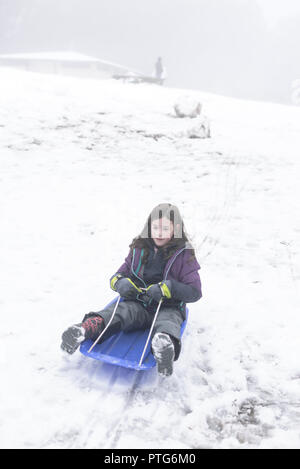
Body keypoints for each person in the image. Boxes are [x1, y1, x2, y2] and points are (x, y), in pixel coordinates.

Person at [61, 203, 202, 377]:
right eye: (155, 227)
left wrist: (168, 288)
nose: (159, 232)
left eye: (165, 228)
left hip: (168, 305)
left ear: (176, 228)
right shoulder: (139, 248)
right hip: (139, 303)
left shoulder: (184, 254)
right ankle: (84, 329)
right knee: (120, 312)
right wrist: (121, 283)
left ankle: (164, 346)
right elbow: (117, 276)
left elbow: (195, 291)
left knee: (168, 321)